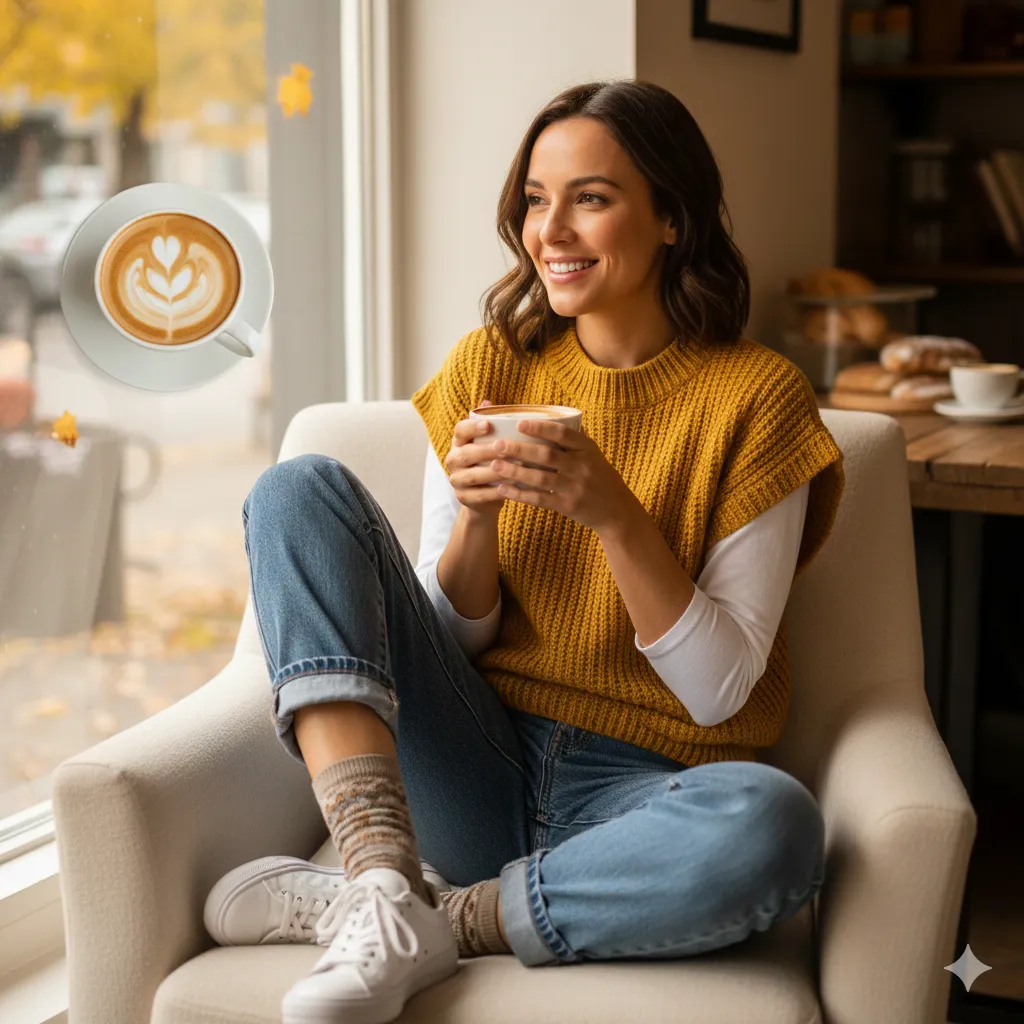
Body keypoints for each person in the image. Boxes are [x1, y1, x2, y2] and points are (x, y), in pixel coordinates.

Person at [205, 79, 845, 1024]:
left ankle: (427, 919)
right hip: (471, 757)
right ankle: (383, 877)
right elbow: (451, 642)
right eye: (536, 202)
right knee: (295, 488)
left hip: (637, 796)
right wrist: (475, 518)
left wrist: (616, 515)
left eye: (591, 197)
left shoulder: (760, 402)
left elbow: (720, 692)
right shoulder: (488, 366)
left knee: (776, 824)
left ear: (672, 216)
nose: (552, 231)